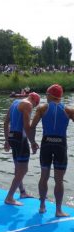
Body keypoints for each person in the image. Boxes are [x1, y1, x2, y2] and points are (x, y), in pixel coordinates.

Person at [30, 84, 74, 217]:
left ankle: (42, 206)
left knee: (44, 176)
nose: (46, 97)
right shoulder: (69, 110)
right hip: (61, 144)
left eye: (47, 95)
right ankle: (58, 210)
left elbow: (32, 127)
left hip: (46, 144)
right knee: (59, 180)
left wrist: (32, 142)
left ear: (50, 95)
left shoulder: (42, 108)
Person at [3, 93, 40, 205]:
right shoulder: (27, 104)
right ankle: (9, 197)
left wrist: (7, 140)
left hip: (12, 137)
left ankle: (22, 192)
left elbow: (5, 123)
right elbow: (26, 126)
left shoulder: (15, 102)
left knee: (18, 168)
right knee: (23, 170)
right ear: (34, 100)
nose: (33, 107)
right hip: (20, 138)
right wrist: (33, 142)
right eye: (35, 105)